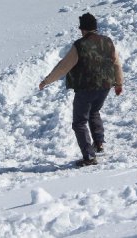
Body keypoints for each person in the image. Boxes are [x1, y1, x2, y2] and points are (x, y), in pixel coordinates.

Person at [39, 13, 124, 167]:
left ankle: (89, 156)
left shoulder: (80, 45)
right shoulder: (108, 42)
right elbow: (117, 63)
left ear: (83, 29)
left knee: (79, 122)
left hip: (86, 88)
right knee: (94, 111)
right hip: (105, 86)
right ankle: (99, 144)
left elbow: (64, 66)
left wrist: (47, 81)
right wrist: (119, 84)